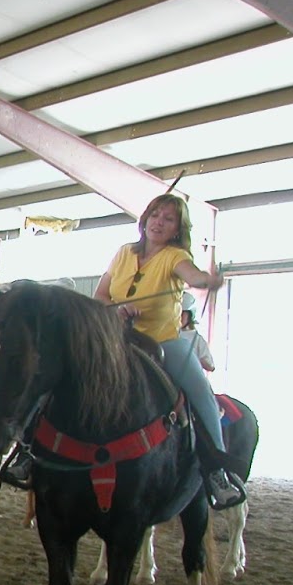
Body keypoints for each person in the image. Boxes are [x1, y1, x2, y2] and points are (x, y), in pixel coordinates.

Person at [86, 194, 241, 508]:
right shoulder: (123, 253)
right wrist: (117, 309)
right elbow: (101, 295)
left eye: (168, 219)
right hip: (116, 341)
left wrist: (208, 280)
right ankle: (30, 452)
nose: (159, 222)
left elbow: (192, 275)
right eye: (155, 214)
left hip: (162, 343)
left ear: (176, 229)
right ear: (144, 219)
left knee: (202, 395)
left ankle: (216, 470)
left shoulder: (175, 256)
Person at [182, 302, 216, 373]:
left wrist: (195, 359)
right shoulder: (168, 334)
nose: (179, 316)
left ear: (190, 316)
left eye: (182, 313)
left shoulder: (197, 339)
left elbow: (211, 366)